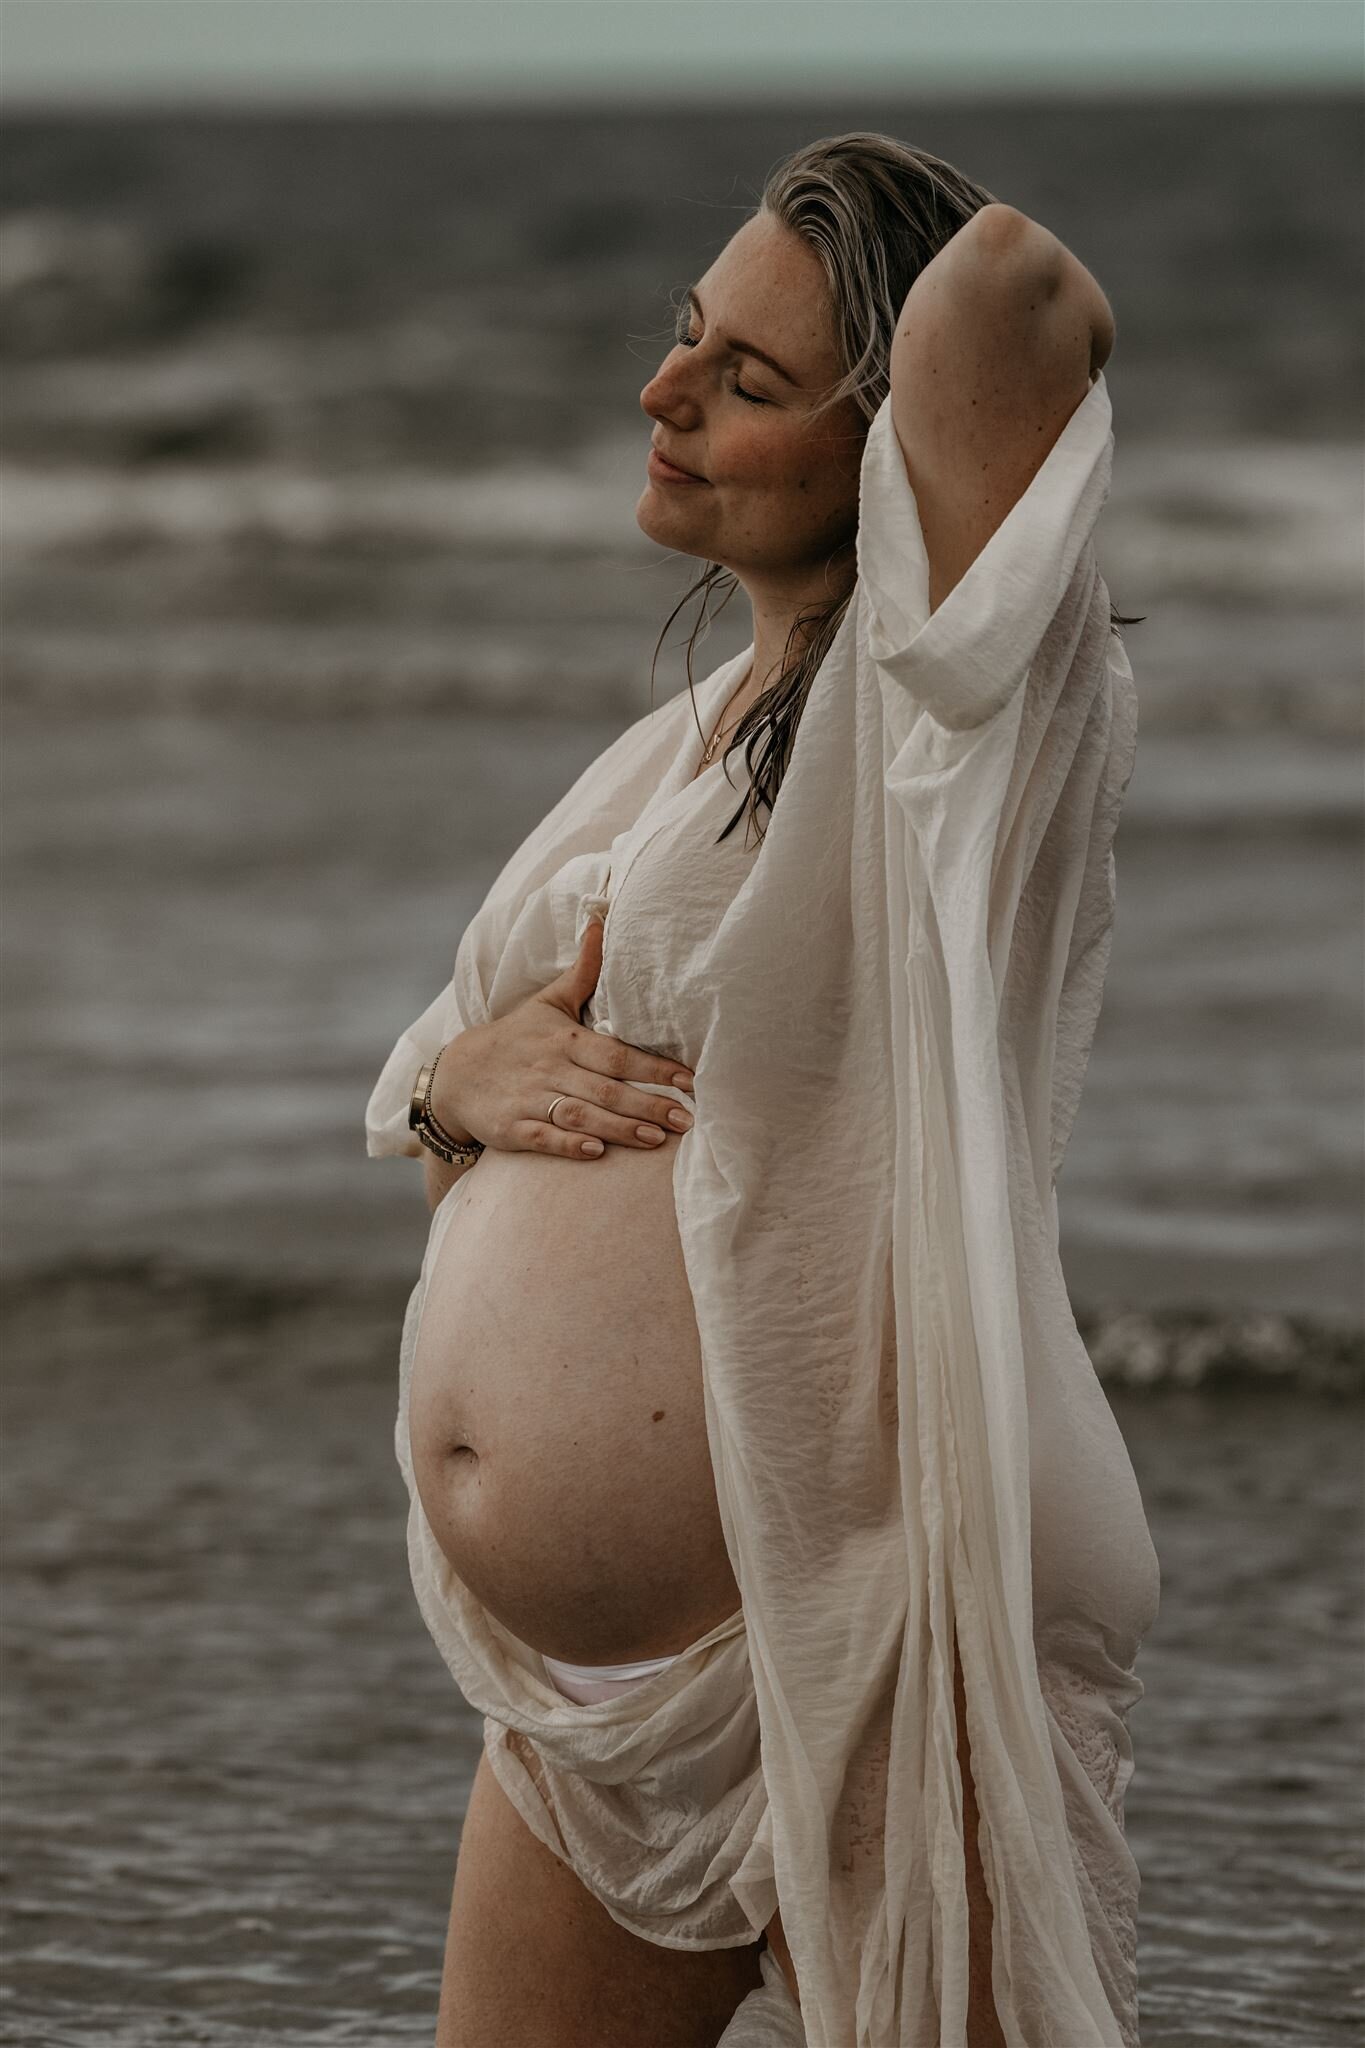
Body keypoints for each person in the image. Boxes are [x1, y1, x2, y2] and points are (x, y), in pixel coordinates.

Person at [366, 132, 1160, 2048]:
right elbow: (457, 1085)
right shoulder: (680, 751)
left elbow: (1013, 287)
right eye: (677, 341)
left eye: (744, 379)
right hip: (593, 1707)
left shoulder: (959, 710)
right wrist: (460, 1085)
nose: (664, 395)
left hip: (866, 1625)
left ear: (889, 444)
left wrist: (843, 203)